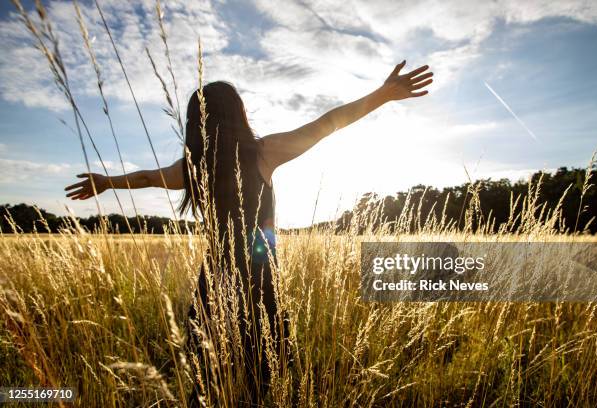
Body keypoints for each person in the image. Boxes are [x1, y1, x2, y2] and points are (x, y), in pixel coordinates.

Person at [64, 60, 433, 406]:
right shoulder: (264, 152)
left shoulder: (192, 168)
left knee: (209, 378)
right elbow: (328, 123)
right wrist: (381, 95)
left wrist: (107, 182)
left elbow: (146, 177)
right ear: (239, 114)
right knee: (260, 377)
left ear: (196, 123)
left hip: (216, 279)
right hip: (261, 280)